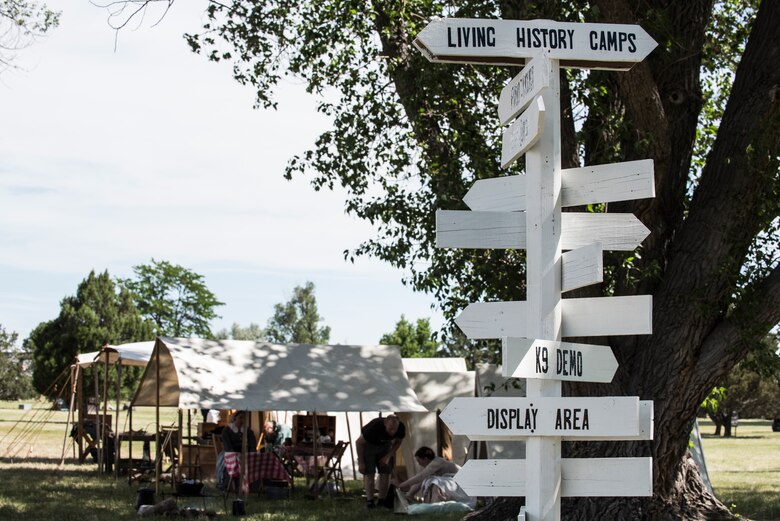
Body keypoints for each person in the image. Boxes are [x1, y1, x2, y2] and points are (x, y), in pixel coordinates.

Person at [394, 446, 475, 508]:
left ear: (425, 459)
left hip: (463, 485)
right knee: (427, 478)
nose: (419, 464)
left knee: (428, 479)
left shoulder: (437, 462)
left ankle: (411, 496)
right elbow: (421, 478)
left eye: (419, 461)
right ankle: (409, 496)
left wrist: (401, 485)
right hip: (456, 482)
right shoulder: (433, 464)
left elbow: (420, 477)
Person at [356, 414, 406, 510]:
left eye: (394, 429)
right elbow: (358, 442)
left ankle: (381, 500)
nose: (392, 432)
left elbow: (398, 442)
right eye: (390, 429)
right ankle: (370, 501)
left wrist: (388, 456)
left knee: (385, 472)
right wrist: (361, 462)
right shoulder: (375, 427)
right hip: (368, 445)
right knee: (369, 472)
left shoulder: (400, 428)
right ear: (385, 423)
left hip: (385, 446)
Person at [216, 411, 257, 490]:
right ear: (234, 418)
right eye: (240, 418)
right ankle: (226, 484)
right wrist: (235, 454)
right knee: (231, 461)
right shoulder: (227, 430)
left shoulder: (248, 431)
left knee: (253, 461)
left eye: (244, 418)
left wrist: (252, 453)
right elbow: (227, 446)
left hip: (245, 453)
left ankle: (251, 486)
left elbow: (252, 444)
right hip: (229, 453)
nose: (242, 420)